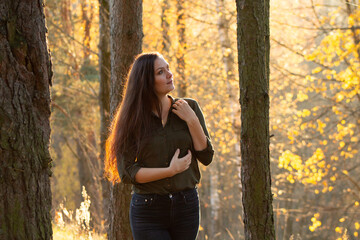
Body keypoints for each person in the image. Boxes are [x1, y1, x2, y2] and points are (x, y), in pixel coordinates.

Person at [105, 52, 214, 240]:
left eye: (168, 69)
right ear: (146, 81)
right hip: (148, 210)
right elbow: (127, 172)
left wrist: (192, 121)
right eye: (161, 72)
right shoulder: (132, 120)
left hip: (186, 206)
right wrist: (170, 171)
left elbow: (206, 156)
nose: (170, 74)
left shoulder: (189, 108)